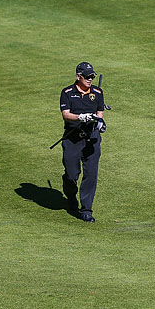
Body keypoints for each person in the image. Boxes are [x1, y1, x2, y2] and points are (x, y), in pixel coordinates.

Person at [59, 62, 106, 223]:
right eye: (87, 76)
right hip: (73, 138)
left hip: (91, 138)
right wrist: (81, 117)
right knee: (72, 174)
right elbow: (65, 114)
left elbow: (100, 112)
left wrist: (100, 122)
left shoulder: (97, 92)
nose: (90, 79)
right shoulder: (67, 92)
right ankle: (70, 194)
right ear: (78, 76)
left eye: (92, 76)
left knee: (91, 174)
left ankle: (86, 209)